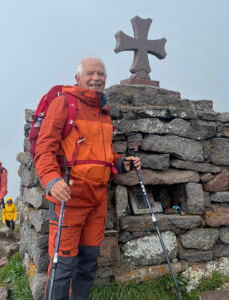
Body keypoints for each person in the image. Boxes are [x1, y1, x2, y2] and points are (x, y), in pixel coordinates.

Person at [34, 56, 141, 300]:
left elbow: (102, 154)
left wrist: (120, 163)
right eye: (91, 73)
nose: (96, 78)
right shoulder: (64, 103)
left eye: (101, 74)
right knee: (63, 265)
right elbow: (44, 149)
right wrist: (52, 180)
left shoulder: (103, 111)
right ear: (78, 78)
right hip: (69, 198)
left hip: (98, 199)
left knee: (89, 262)